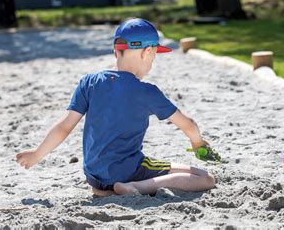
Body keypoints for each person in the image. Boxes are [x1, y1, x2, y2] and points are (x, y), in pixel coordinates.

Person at [16, 18, 217, 196]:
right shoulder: (147, 91)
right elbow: (188, 124)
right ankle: (139, 187)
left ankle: (106, 191)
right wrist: (197, 143)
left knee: (113, 173)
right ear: (147, 52)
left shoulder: (89, 82)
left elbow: (64, 127)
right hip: (127, 171)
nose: (152, 62)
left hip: (94, 176)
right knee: (204, 177)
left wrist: (37, 154)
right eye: (154, 56)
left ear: (116, 50)